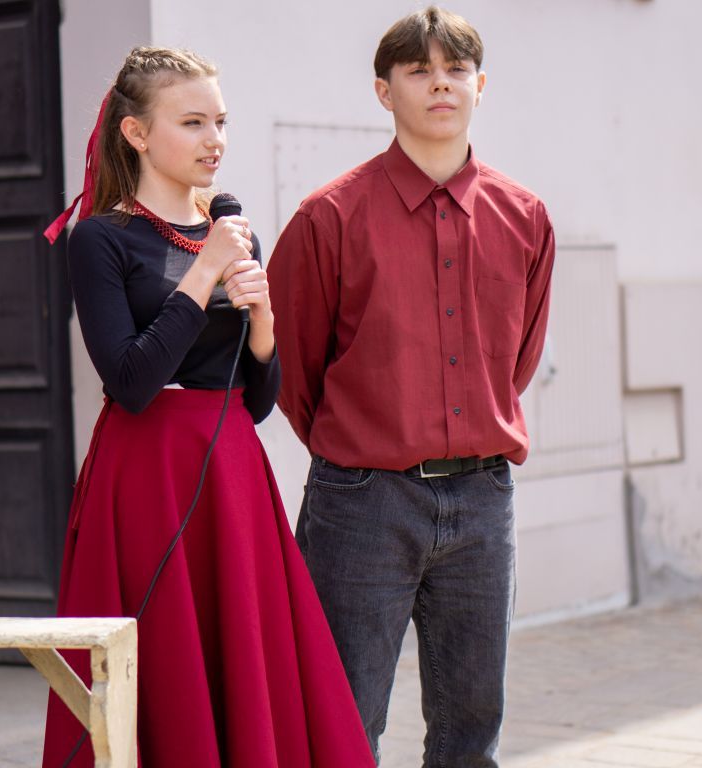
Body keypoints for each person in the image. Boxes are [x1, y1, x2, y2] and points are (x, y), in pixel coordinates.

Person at [42, 47, 374, 768]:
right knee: (165, 666)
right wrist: (205, 273)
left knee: (243, 660)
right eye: (192, 122)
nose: (214, 139)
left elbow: (257, 401)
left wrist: (263, 323)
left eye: (220, 121)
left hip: (231, 467)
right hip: (147, 472)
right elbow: (130, 380)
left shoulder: (231, 232)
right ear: (136, 133)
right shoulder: (100, 238)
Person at [267, 7, 555, 767]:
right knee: (341, 726)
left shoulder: (525, 217)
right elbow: (293, 367)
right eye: (419, 71)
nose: (440, 85)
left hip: (483, 502)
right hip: (362, 503)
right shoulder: (328, 217)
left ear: (480, 86)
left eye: (456, 70)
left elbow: (517, 360)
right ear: (383, 91)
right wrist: (367, 442)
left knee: (471, 735)